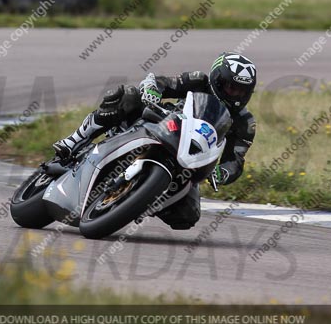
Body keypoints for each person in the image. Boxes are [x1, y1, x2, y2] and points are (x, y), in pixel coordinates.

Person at [53, 52, 257, 229]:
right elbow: (162, 82)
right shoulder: (197, 81)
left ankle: (138, 200)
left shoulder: (245, 124)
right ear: (216, 80)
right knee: (127, 96)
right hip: (162, 124)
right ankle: (74, 140)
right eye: (230, 88)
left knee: (187, 216)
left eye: (241, 91)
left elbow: (235, 161)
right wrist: (151, 90)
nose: (235, 95)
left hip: (189, 159)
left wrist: (221, 173)